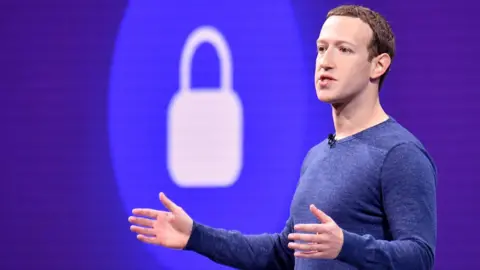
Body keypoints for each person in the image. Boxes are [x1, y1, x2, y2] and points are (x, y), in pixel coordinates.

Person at [128, 4, 437, 270]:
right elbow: (283, 253)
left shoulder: (399, 153)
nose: (325, 61)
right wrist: (196, 236)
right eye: (321, 48)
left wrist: (346, 245)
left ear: (378, 65)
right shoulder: (318, 155)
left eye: (343, 49)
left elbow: (420, 256)